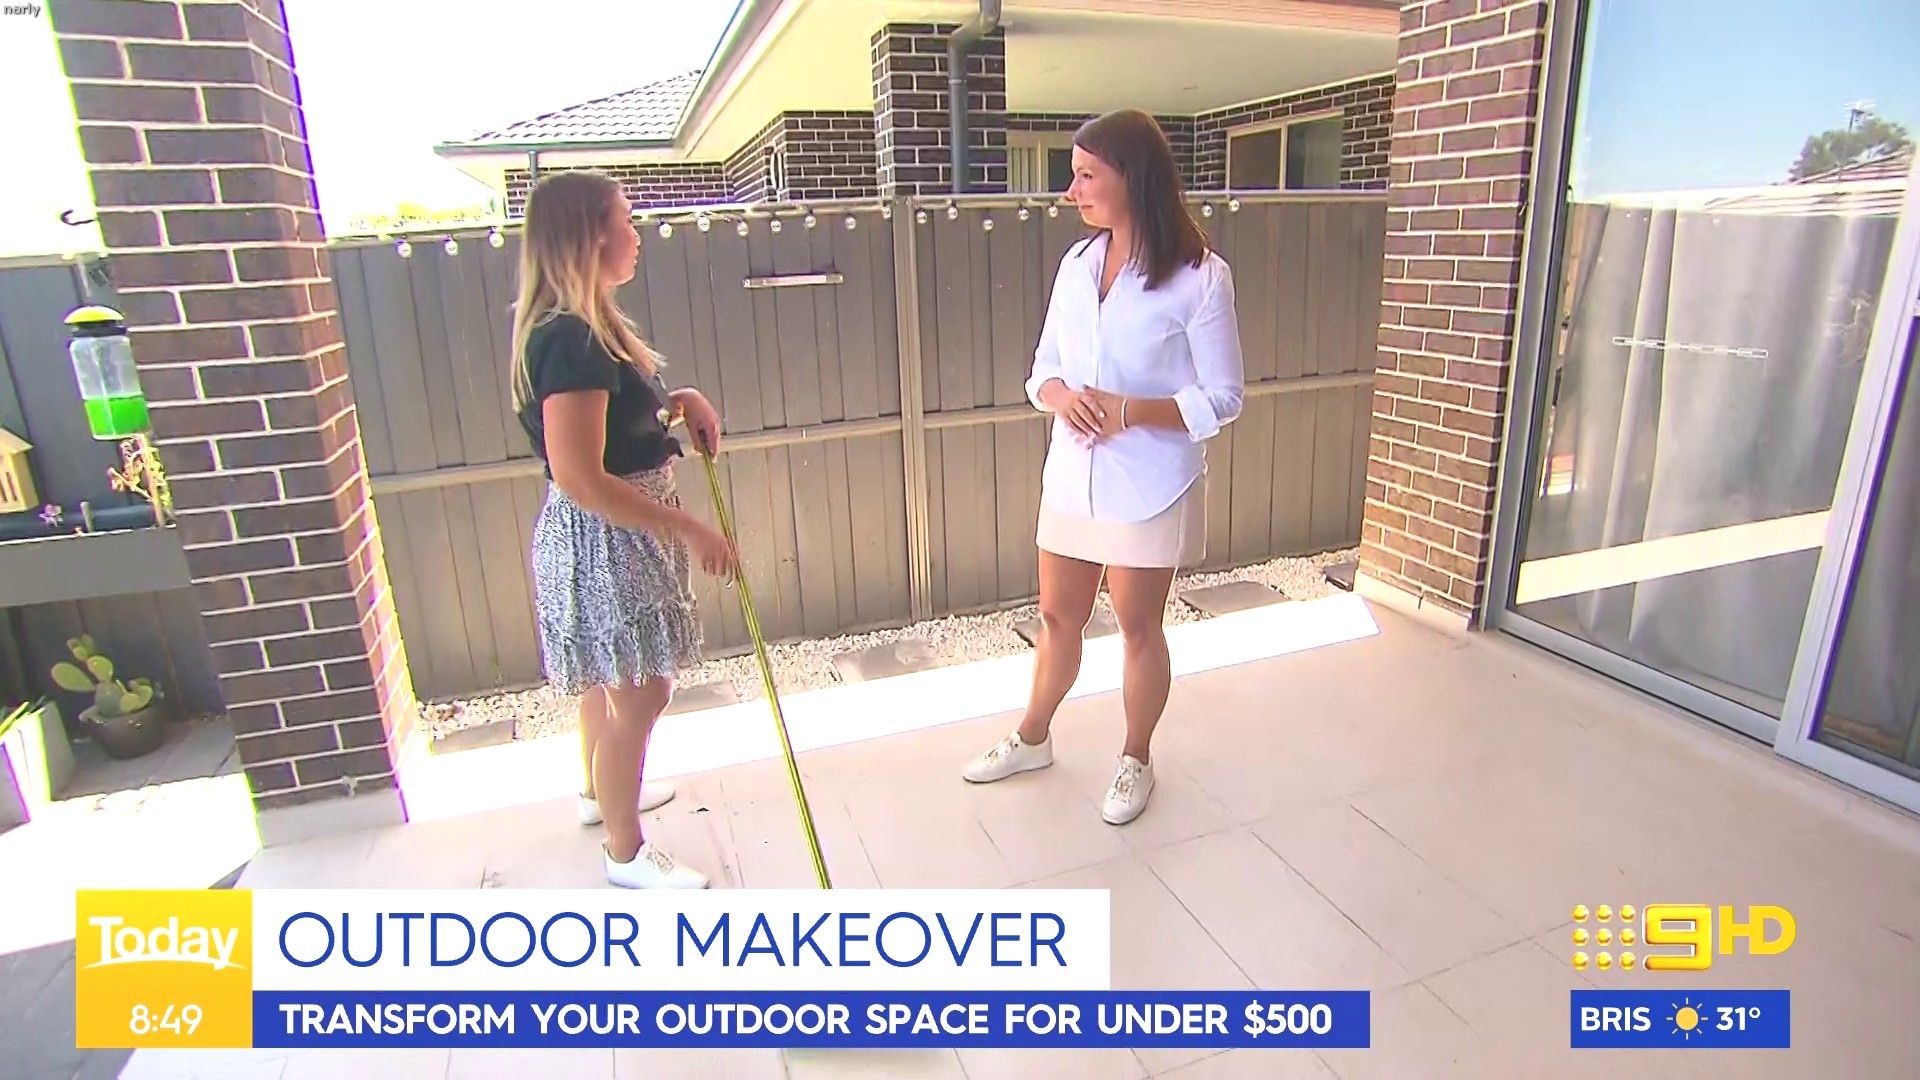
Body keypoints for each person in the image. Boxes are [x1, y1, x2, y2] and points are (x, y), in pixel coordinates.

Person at [961, 109, 1245, 825]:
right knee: (1058, 616)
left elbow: (1225, 396)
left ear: (1133, 178)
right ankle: (1033, 737)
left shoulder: (1200, 278)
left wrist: (1130, 411)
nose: (1071, 191)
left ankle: (1136, 758)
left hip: (1150, 483)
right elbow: (1043, 370)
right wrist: (1060, 397)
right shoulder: (1077, 266)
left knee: (1138, 627)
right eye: (1074, 175)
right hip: (1071, 477)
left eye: (1087, 175)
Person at [510, 169, 737, 889]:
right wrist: (689, 528)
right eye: (626, 221)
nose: (636, 235)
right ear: (590, 236)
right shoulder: (571, 340)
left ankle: (598, 794)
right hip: (606, 540)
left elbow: (620, 428)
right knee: (640, 693)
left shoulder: (583, 328)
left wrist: (682, 400)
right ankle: (626, 853)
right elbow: (583, 476)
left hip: (609, 534)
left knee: (609, 683)